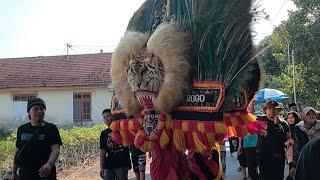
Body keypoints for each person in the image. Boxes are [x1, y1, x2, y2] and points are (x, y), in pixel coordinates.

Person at [11, 98, 62, 180]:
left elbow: (56, 149)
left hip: (44, 174)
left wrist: (49, 164)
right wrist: (13, 172)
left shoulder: (51, 128)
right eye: (36, 109)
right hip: (24, 175)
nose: (40, 111)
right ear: (29, 112)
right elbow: (18, 152)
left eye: (42, 109)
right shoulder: (22, 129)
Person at [256, 100, 290, 180]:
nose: (272, 111)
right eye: (270, 109)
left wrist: (277, 125)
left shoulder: (284, 124)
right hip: (263, 155)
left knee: (278, 176)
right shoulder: (260, 120)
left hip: (278, 156)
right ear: (265, 110)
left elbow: (286, 140)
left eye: (275, 109)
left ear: (278, 111)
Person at [100, 109, 131, 180]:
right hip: (108, 165)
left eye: (108, 116)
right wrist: (101, 167)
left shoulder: (122, 129)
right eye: (104, 117)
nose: (106, 119)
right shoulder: (104, 133)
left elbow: (127, 144)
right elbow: (102, 151)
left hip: (122, 164)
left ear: (113, 117)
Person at [285, 111, 301, 179]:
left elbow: (301, 142)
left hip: (298, 155)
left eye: (292, 117)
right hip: (290, 155)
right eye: (288, 118)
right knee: (291, 172)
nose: (290, 119)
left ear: (296, 118)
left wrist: (293, 142)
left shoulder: (300, 128)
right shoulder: (286, 128)